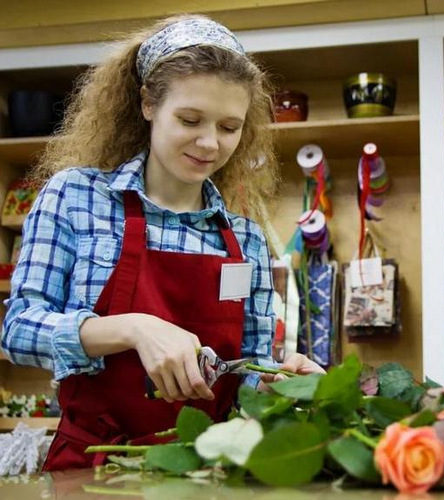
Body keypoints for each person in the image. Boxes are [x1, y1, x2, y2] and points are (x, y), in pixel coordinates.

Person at [1, 15, 324, 471]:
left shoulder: (244, 238)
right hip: (93, 466)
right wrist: (134, 328)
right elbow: (18, 330)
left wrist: (278, 384)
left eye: (229, 127)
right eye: (190, 119)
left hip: (206, 470)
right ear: (148, 104)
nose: (210, 143)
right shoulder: (76, 196)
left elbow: (248, 374)